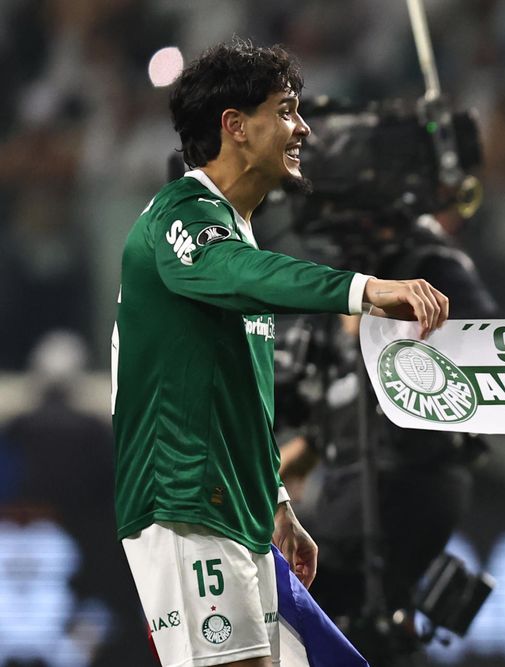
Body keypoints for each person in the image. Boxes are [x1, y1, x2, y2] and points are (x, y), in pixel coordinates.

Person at [111, 38, 449, 667]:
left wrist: (277, 500)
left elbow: (238, 391)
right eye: (287, 110)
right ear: (235, 126)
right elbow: (252, 274)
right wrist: (366, 289)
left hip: (234, 507)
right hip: (186, 501)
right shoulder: (181, 218)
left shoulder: (232, 231)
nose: (304, 128)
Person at [276, 208, 498, 666]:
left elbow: (480, 345)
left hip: (401, 485)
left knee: (314, 605)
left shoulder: (428, 269)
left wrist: (383, 335)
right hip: (351, 494)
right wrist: (279, 474)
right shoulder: (325, 336)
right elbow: (314, 422)